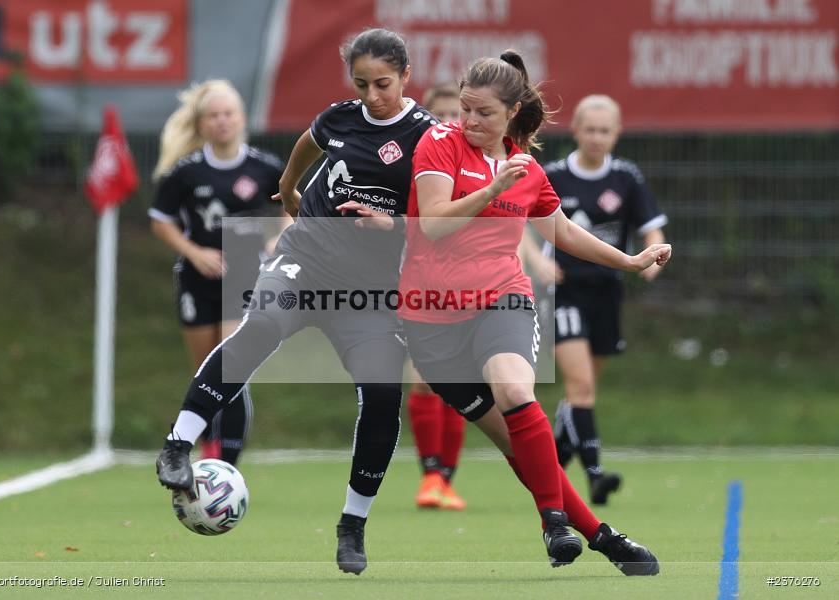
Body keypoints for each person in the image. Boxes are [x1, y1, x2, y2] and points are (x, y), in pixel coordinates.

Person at [154, 28, 437, 576]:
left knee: (382, 395)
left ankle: (352, 524)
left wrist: (392, 224)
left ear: (406, 75)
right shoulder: (340, 117)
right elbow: (309, 143)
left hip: (368, 290)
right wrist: (288, 187)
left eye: (383, 83)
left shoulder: (430, 139)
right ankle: (177, 446)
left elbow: (438, 222)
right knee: (256, 330)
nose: (373, 95)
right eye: (361, 84)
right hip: (306, 258)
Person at [398, 51, 666, 575]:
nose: (470, 121)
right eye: (466, 110)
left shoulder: (528, 168)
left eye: (484, 114)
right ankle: (601, 535)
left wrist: (630, 261)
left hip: (502, 299)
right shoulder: (439, 143)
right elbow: (432, 223)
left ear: (513, 112)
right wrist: (492, 188)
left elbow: (563, 232)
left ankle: (552, 521)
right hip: (431, 320)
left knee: (517, 392)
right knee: (517, 445)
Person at [537, 94, 668, 505]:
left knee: (583, 389)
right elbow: (520, 225)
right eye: (589, 129)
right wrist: (535, 264)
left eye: (604, 130)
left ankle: (550, 464)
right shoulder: (553, 174)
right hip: (562, 292)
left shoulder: (626, 178)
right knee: (580, 385)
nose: (596, 137)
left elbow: (652, 230)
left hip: (607, 293)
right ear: (575, 130)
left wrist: (654, 258)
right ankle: (595, 476)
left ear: (616, 134)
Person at [149, 79, 286, 466]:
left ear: (241, 119)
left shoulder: (265, 167)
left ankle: (225, 460)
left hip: (244, 272)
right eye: (213, 115)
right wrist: (194, 252)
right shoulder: (186, 172)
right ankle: (209, 444)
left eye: (228, 114)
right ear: (202, 124)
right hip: (197, 277)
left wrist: (280, 239)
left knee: (232, 364)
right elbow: (161, 221)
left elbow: (289, 209)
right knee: (204, 372)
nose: (222, 121)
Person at [406, 82, 468, 511]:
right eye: (439, 113)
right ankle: (430, 475)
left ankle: (446, 478)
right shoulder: (417, 157)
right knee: (423, 375)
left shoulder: (476, 159)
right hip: (420, 276)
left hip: (469, 278)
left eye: (456, 113)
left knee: (461, 380)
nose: (448, 121)